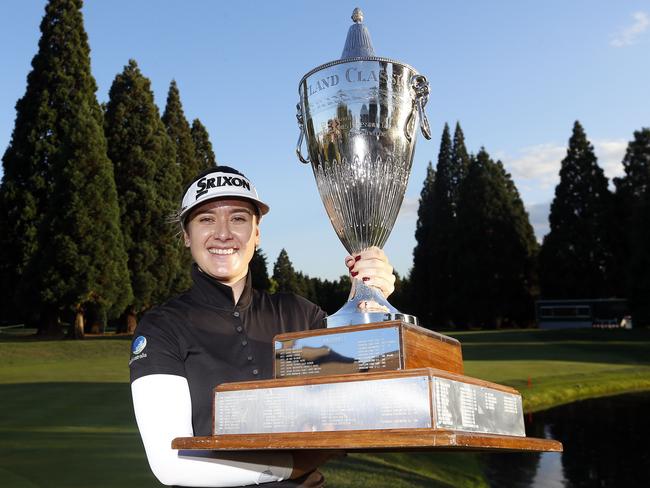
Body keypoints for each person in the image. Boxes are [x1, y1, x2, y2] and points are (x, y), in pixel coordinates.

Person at [129, 166, 396, 487]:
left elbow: (370, 391)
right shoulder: (162, 327)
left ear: (257, 233)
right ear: (187, 236)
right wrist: (291, 465)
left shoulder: (300, 313)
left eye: (239, 218)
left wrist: (367, 306)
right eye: (206, 219)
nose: (223, 232)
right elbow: (168, 462)